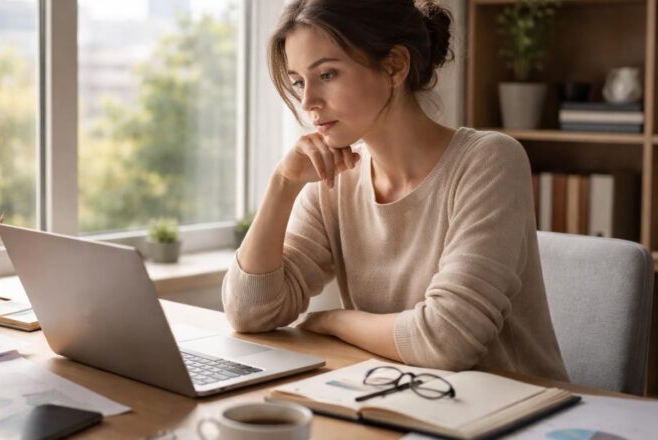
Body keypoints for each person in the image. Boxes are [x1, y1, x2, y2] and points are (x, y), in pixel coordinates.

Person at [221, 0, 569, 381]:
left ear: (395, 66)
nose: (308, 103)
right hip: (401, 393)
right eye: (299, 82)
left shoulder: (489, 161)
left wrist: (335, 320)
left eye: (327, 74)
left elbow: (447, 340)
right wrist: (283, 184)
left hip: (517, 403)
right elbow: (249, 313)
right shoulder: (335, 181)